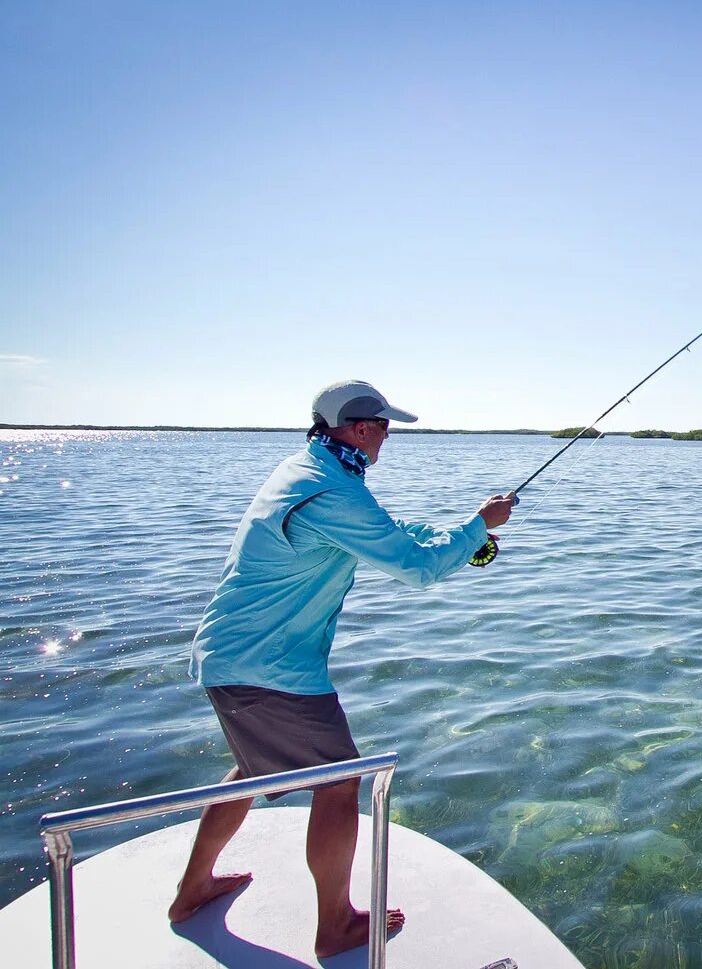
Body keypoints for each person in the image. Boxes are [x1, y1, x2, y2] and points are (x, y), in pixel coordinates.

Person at [170, 380, 515, 957]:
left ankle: (193, 888)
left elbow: (393, 534)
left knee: (253, 769)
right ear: (359, 428)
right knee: (339, 780)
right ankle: (336, 925)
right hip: (269, 668)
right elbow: (416, 568)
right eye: (383, 427)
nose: (387, 438)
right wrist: (479, 528)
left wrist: (464, 529)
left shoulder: (311, 472)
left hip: (233, 657)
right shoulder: (331, 493)